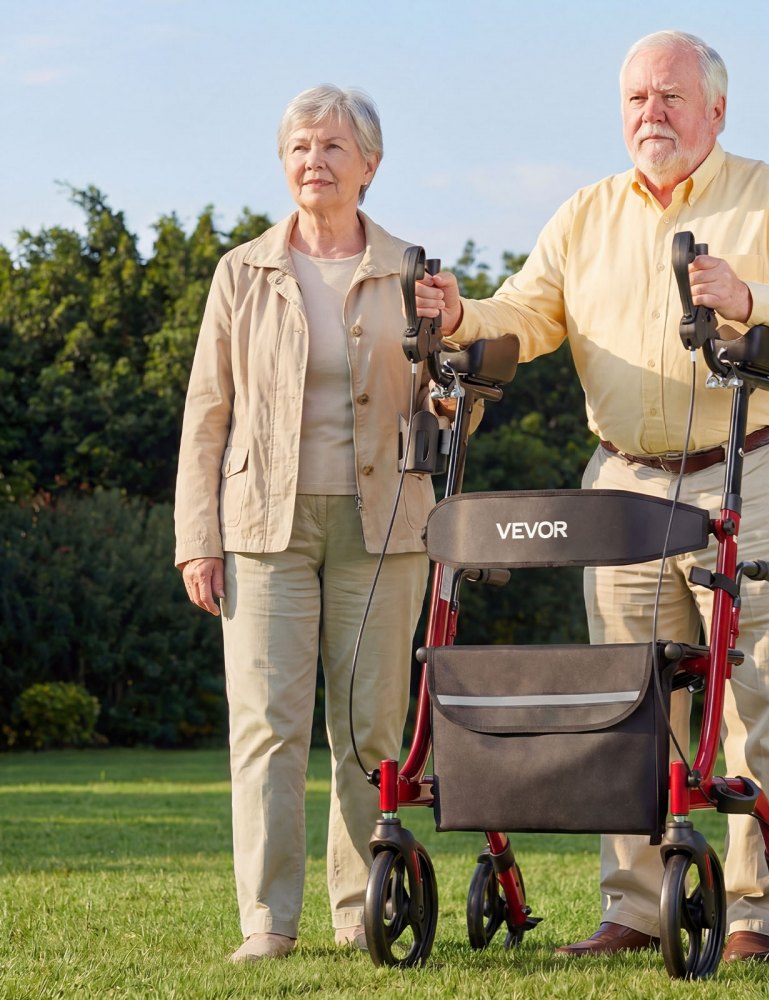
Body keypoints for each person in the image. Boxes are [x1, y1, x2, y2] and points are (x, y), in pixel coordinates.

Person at [415, 31, 769, 962]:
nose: (651, 114)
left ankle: (753, 915)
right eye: (636, 99)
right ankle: (634, 906)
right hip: (624, 480)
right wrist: (462, 315)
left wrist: (756, 297)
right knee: (625, 700)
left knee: (755, 700)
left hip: (752, 467)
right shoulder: (586, 213)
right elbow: (527, 314)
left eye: (670, 98)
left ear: (716, 109)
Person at [175, 85, 439, 963]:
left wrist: (452, 361)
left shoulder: (414, 269)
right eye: (298, 146)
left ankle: (363, 906)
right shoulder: (241, 271)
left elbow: (455, 413)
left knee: (370, 730)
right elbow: (207, 414)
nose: (312, 161)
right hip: (261, 524)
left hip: (387, 524)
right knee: (267, 726)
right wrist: (196, 537)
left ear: (370, 164)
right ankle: (268, 922)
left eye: (331, 146)